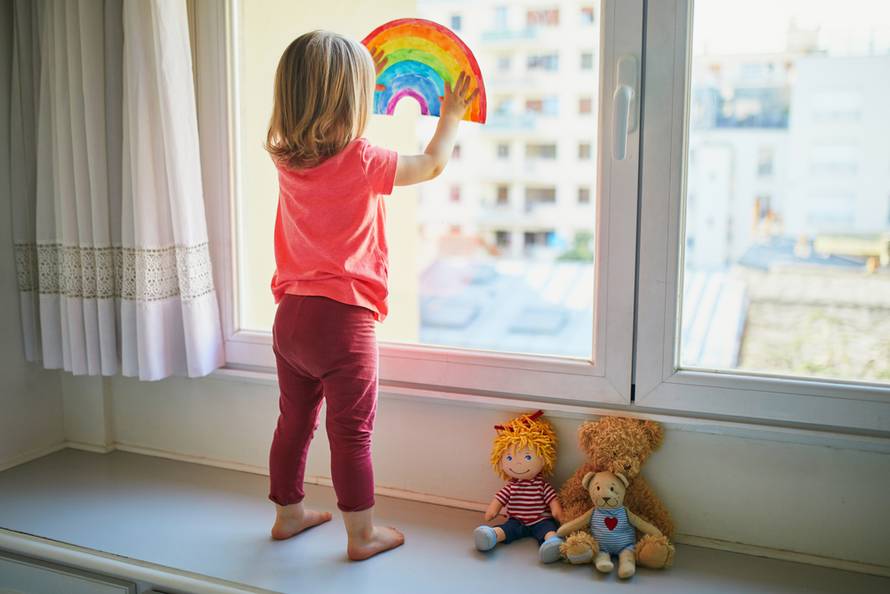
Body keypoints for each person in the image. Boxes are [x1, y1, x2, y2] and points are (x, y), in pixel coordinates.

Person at [264, 30, 478, 561]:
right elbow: (431, 165)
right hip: (343, 322)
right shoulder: (363, 159)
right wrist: (450, 116)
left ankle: (287, 516)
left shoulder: (286, 158)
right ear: (354, 99)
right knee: (351, 434)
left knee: (294, 422)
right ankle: (361, 535)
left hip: (290, 317)